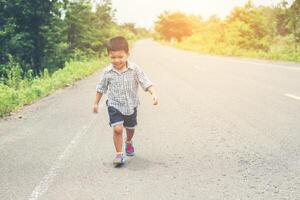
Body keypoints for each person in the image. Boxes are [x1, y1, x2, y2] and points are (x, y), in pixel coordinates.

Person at [93, 36, 158, 166]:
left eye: (120, 57)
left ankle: (128, 141)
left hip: (131, 105)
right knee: (117, 129)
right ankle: (119, 154)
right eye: (113, 57)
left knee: (130, 128)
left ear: (127, 54)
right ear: (108, 56)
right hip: (114, 105)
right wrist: (95, 103)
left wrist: (153, 94)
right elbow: (100, 88)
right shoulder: (107, 72)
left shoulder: (135, 69)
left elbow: (145, 82)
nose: (117, 60)